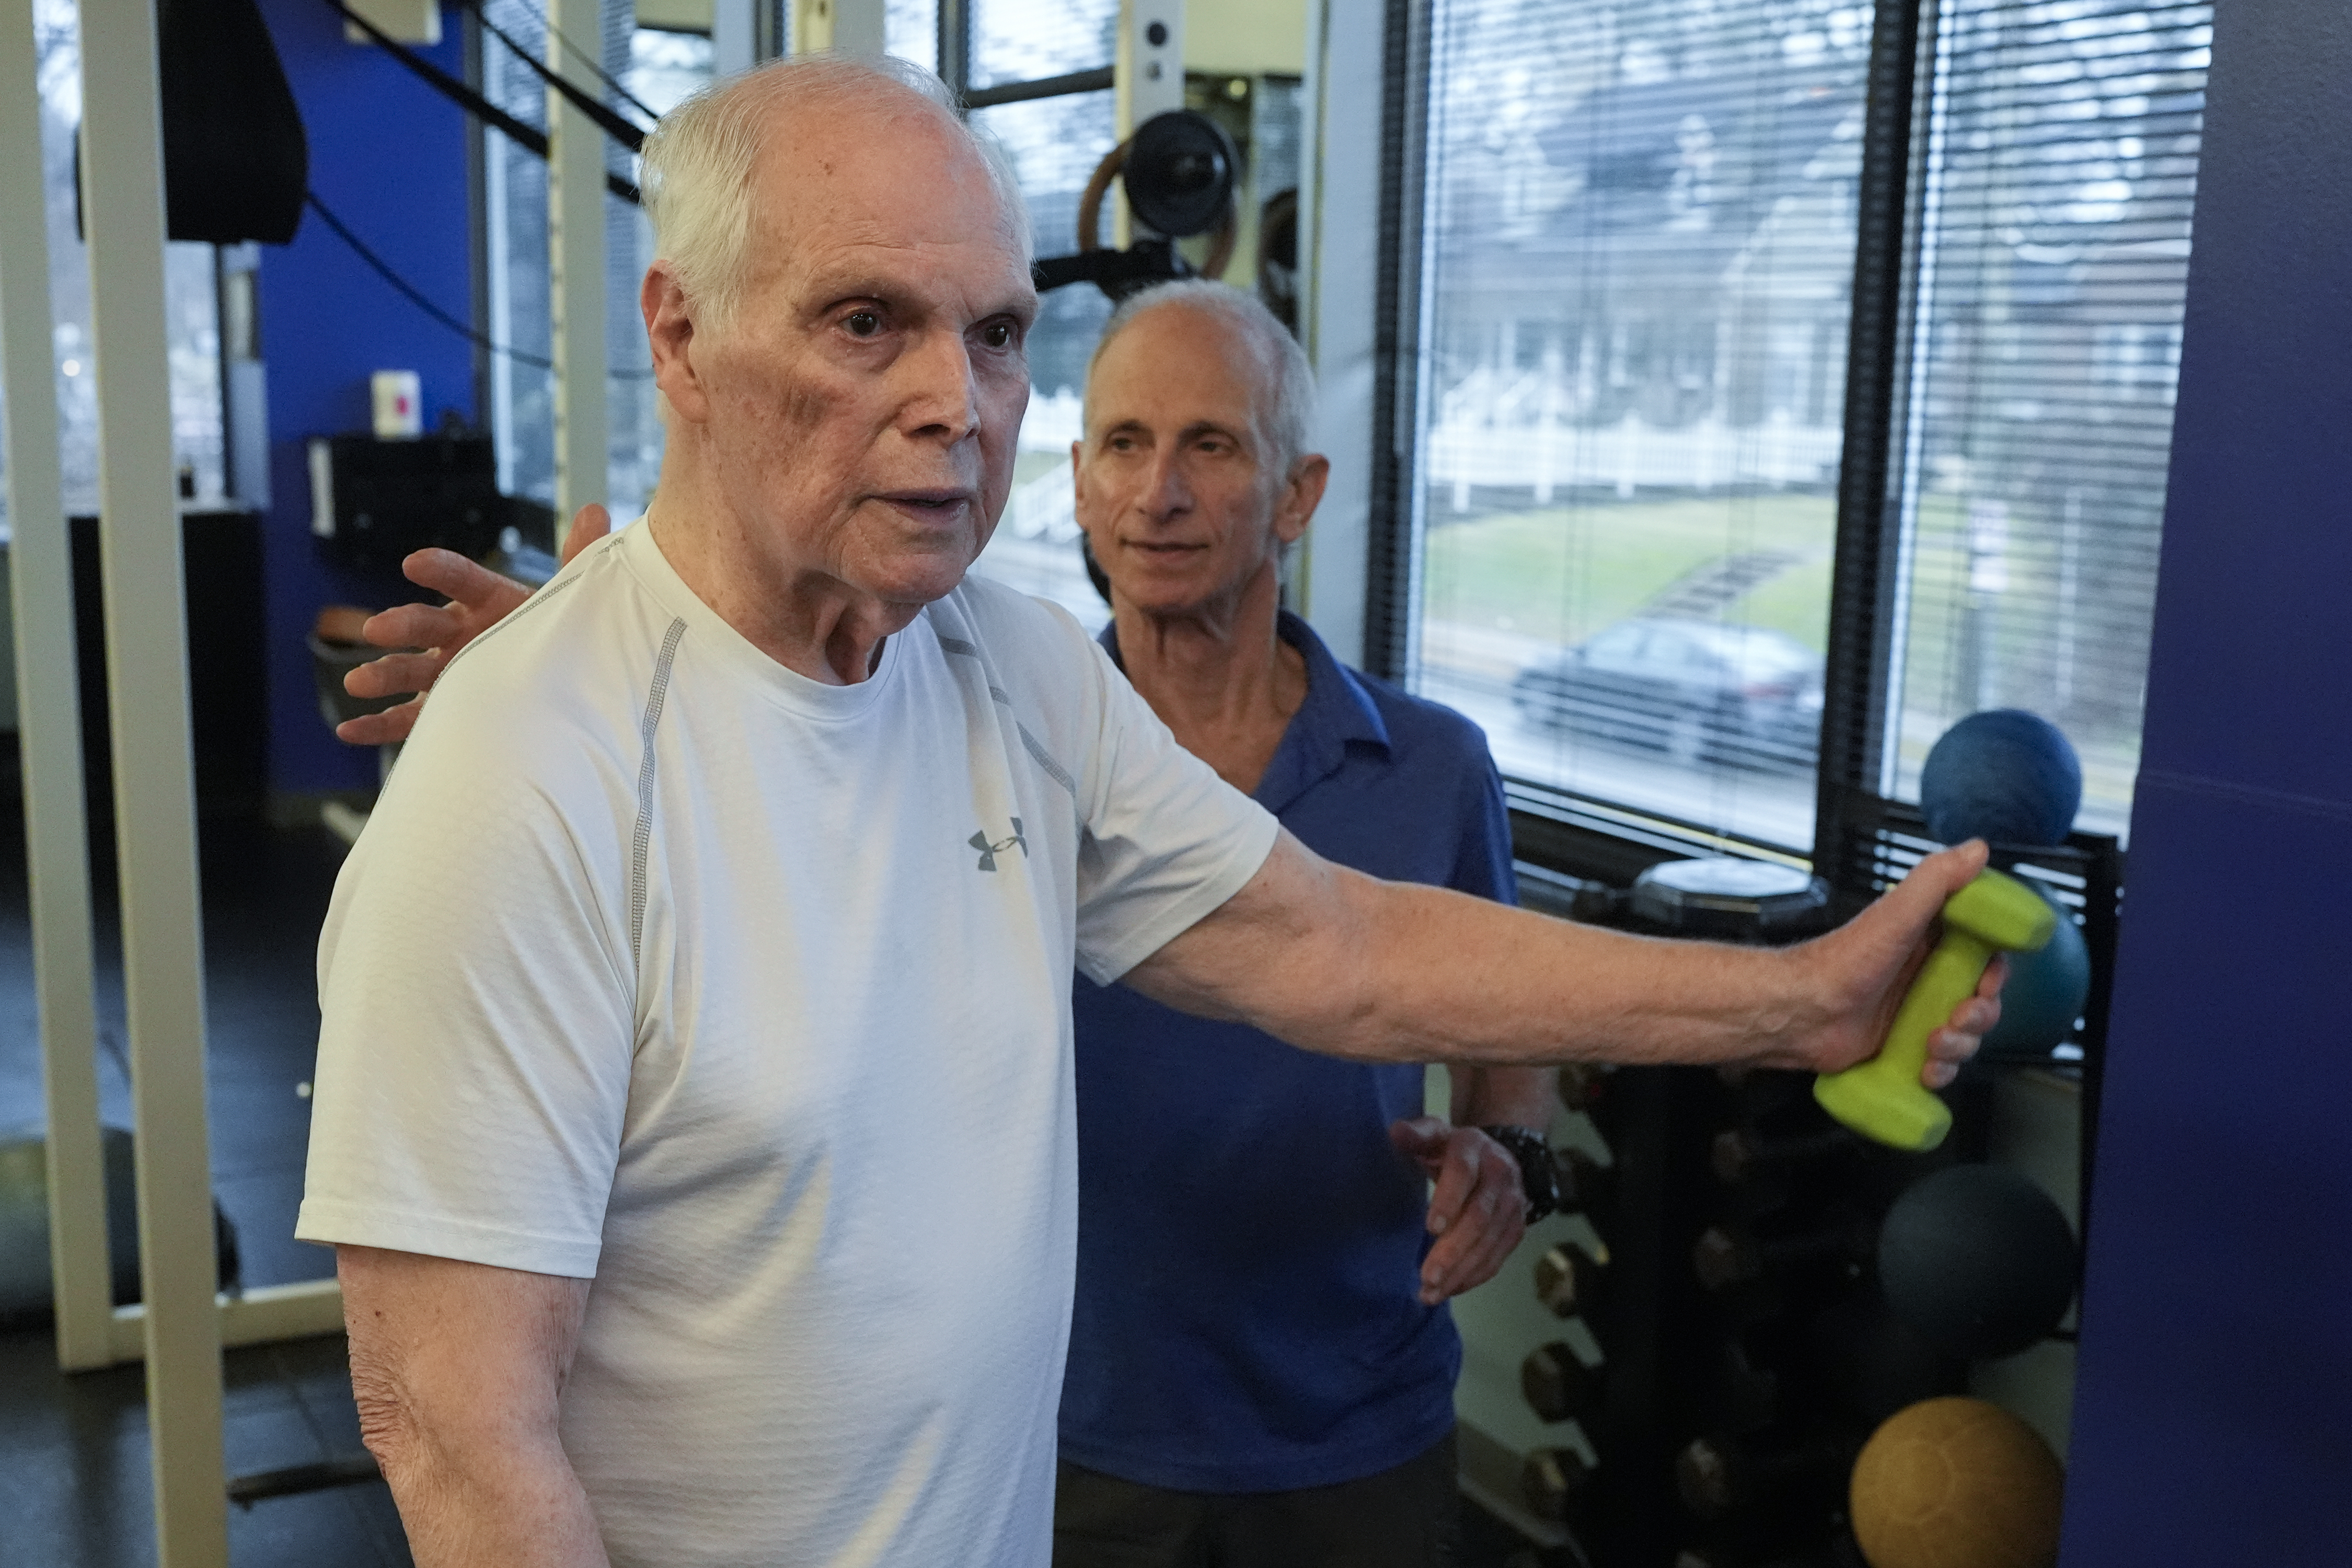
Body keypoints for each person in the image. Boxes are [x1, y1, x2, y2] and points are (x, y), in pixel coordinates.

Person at [305, 53, 2000, 1568]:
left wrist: (1801, 999)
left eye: (991, 335)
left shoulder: (1011, 669)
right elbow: (454, 1431)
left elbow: (1333, 946)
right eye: (864, 322)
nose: (953, 404)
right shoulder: (526, 776)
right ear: (683, 334)